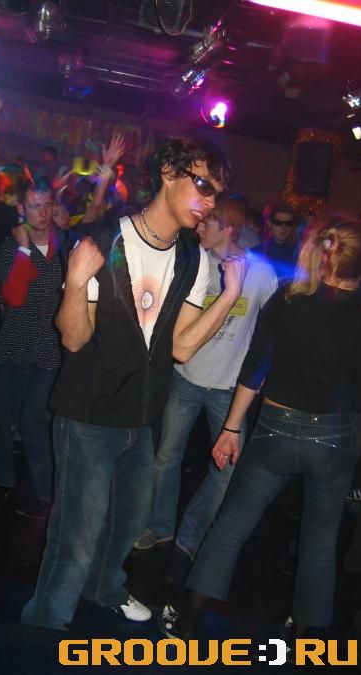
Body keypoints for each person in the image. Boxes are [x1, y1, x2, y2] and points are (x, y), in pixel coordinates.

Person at [20, 137, 249, 631]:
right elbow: (74, 338)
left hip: (142, 416)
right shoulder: (104, 241)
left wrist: (229, 295)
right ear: (169, 173)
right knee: (77, 537)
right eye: (203, 185)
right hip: (88, 413)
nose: (209, 201)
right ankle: (45, 624)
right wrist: (76, 283)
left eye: (215, 192)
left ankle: (105, 589)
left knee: (127, 524)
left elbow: (182, 347)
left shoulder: (192, 258)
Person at [160, 216, 361, 646]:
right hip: (334, 438)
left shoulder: (288, 300)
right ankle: (303, 642)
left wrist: (231, 427)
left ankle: (187, 624)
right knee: (320, 541)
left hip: (276, 429)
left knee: (232, 525)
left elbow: (255, 369)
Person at [134, 198, 277, 558]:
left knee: (227, 470)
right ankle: (159, 527)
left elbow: (272, 332)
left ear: (227, 228)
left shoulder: (261, 273)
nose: (198, 228)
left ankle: (192, 534)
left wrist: (262, 376)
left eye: (206, 223)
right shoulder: (194, 262)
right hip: (185, 379)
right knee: (166, 457)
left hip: (229, 390)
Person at [0, 175, 72, 517]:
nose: (43, 213)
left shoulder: (66, 245)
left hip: (50, 347)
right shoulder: (9, 249)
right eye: (35, 206)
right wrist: (22, 251)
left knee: (34, 421)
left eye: (48, 205)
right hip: (14, 343)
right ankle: (3, 481)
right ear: (21, 208)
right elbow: (11, 298)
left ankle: (46, 496)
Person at [251, 201, 298, 286]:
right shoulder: (256, 253)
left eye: (288, 223)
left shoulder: (296, 253)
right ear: (269, 224)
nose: (283, 227)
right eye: (278, 223)